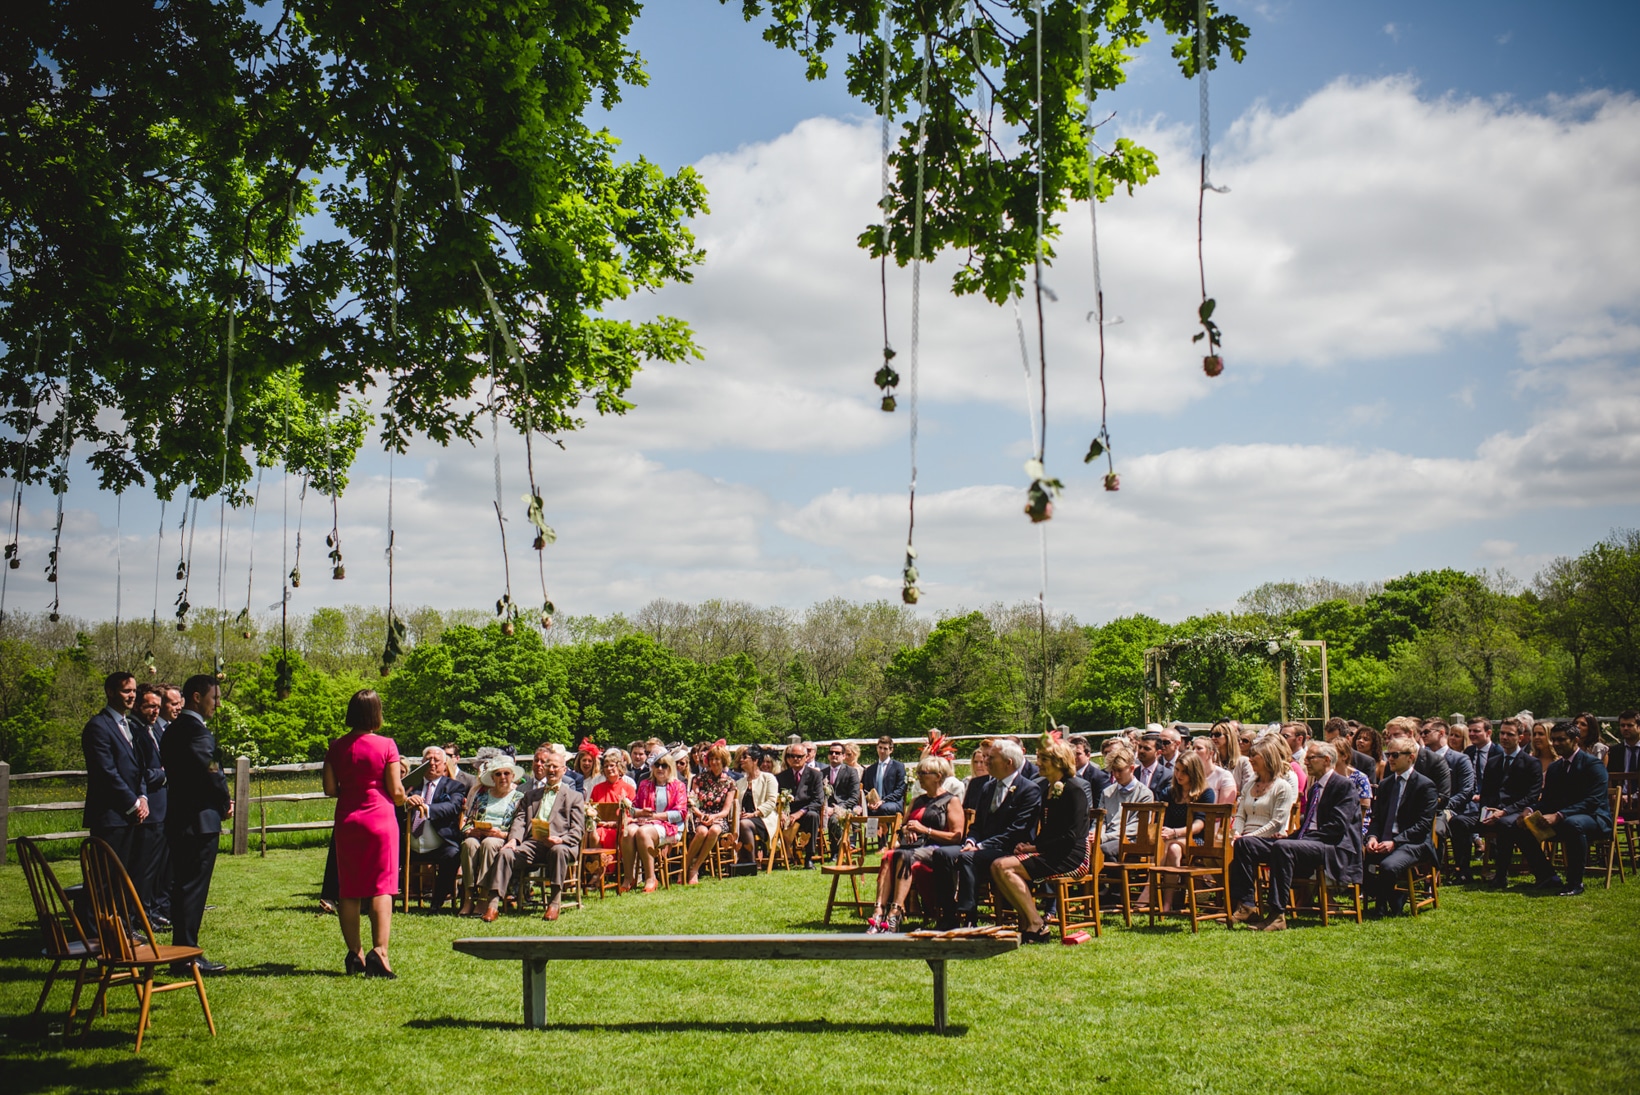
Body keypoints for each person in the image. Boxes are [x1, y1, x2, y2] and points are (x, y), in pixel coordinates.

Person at [1229, 741, 1363, 931]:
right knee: (1246, 844)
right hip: (1307, 843)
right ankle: (1247, 904)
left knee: (1283, 847)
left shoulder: (1343, 786)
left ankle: (1277, 915)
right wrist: (1292, 837)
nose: (1305, 762)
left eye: (1310, 758)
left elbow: (1337, 828)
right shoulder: (1315, 787)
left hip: (1332, 847)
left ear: (1326, 760)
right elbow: (1308, 824)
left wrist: (1297, 841)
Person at [322, 689, 405, 977]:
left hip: (347, 819)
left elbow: (330, 789)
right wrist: (404, 795)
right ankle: (380, 952)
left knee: (350, 889)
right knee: (381, 886)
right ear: (376, 714)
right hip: (379, 818)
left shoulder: (336, 746)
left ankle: (354, 953)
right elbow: (395, 791)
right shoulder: (386, 745)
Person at [160, 674, 231, 974]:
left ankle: (181, 951)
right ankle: (187, 955)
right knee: (193, 889)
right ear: (197, 697)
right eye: (214, 698)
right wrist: (223, 801)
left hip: (177, 818)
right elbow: (212, 772)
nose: (217, 704)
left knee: (181, 888)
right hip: (199, 822)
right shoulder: (198, 733)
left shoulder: (171, 731)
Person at [930, 739, 1042, 929]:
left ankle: (969, 915)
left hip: (1009, 849)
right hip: (978, 847)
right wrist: (972, 840)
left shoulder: (1029, 790)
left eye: (992, 757)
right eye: (986, 757)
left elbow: (1017, 831)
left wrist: (980, 846)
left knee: (968, 858)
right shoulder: (987, 787)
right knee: (942, 854)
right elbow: (977, 824)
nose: (986, 761)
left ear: (1009, 762)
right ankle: (948, 914)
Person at [989, 738, 1090, 942]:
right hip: (1051, 851)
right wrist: (1028, 846)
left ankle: (1036, 923)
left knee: (1002, 866)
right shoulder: (1049, 789)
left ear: (1059, 761)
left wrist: (1035, 847)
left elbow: (1071, 836)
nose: (1038, 763)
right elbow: (1047, 831)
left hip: (1070, 855)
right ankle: (1029, 921)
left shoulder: (1074, 790)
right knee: (997, 866)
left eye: (1043, 759)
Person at [1494, 720, 1611, 897]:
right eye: (1554, 739)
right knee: (1520, 826)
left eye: (1561, 740)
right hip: (1562, 818)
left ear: (1575, 740)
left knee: (1573, 824)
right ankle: (1547, 876)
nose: (1556, 744)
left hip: (1593, 818)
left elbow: (1592, 801)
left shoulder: (1593, 765)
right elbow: (1548, 800)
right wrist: (1529, 811)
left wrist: (1559, 815)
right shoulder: (1556, 767)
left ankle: (1575, 882)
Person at [865, 756, 965, 934]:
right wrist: (905, 830)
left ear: (938, 776)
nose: (919, 777)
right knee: (889, 855)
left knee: (903, 856)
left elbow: (956, 836)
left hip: (937, 848)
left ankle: (895, 913)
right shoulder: (917, 800)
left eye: (923, 773)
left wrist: (925, 830)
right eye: (918, 773)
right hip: (912, 847)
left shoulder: (951, 801)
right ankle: (878, 911)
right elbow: (903, 826)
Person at [82, 672, 153, 905]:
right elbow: (106, 772)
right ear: (110, 692)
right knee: (104, 881)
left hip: (133, 816)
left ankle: (121, 929)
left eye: (133, 691)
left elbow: (139, 767)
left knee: (124, 879)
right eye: (126, 691)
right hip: (110, 816)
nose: (132, 695)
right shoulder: (98, 726)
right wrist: (132, 803)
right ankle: (96, 934)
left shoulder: (130, 725)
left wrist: (142, 797)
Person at [498, 744, 584, 920]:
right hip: (534, 845)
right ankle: (493, 903)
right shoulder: (531, 795)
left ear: (563, 770)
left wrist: (561, 840)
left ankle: (554, 902)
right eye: (548, 766)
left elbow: (577, 829)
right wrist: (514, 840)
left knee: (557, 851)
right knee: (505, 853)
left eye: (554, 767)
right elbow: (520, 821)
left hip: (561, 845)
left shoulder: (574, 797)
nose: (550, 770)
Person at [1450, 718, 1541, 884]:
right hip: (1490, 811)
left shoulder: (1531, 763)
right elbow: (1487, 793)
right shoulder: (1494, 762)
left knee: (1505, 823)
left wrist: (1504, 812)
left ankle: (1501, 874)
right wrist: (1487, 812)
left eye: (1510, 734)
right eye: (1503, 733)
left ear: (1520, 737)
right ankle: (1463, 871)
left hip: (1513, 813)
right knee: (1458, 821)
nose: (1505, 737)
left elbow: (1531, 796)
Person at [1362, 735, 1439, 916]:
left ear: (1411, 757)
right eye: (1388, 754)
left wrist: (1395, 842)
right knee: (1357, 856)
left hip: (1414, 843)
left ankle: (1381, 905)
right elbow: (1377, 818)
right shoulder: (1386, 784)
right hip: (1385, 839)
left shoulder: (1425, 786)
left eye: (1395, 755)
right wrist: (1372, 837)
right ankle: (1395, 896)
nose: (1390, 759)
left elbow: (1423, 825)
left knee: (1388, 866)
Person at [1141, 751, 1216, 913]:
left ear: (1194, 772)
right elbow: (1161, 819)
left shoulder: (1205, 793)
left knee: (1169, 845)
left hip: (1197, 840)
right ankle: (1168, 904)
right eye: (1177, 770)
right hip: (1171, 840)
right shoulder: (1170, 792)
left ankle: (1149, 889)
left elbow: (1200, 824)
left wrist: (1175, 832)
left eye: (1184, 771)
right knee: (1172, 849)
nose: (1179, 775)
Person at [400, 745, 466, 912]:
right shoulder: (409, 786)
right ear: (422, 763)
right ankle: (387, 898)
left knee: (453, 854)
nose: (432, 764)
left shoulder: (454, 786)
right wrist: (407, 801)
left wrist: (426, 808)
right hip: (409, 842)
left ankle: (437, 902)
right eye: (428, 760)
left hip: (441, 843)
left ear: (445, 765)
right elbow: (394, 804)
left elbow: (452, 807)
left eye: (437, 760)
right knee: (388, 850)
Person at [458, 758, 524, 920]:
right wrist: (470, 831)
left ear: (513, 776)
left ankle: (483, 897)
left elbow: (519, 826)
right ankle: (468, 896)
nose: (503, 777)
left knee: (489, 843)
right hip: (479, 834)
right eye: (498, 774)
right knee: (469, 844)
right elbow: (467, 822)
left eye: (506, 773)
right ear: (492, 778)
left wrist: (502, 834)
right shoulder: (482, 797)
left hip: (501, 837)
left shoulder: (519, 798)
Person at [131, 682, 171, 927]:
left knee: (155, 869)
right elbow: (143, 774)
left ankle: (150, 911)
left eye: (157, 707)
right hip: (150, 811)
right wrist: (165, 773)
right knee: (144, 869)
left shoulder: (150, 730)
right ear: (138, 706)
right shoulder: (137, 732)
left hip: (161, 810)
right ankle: (140, 915)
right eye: (149, 706)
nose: (155, 711)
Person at [626, 752, 685, 891]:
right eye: (657, 765)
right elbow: (633, 808)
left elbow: (681, 813)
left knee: (643, 833)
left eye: (664, 765)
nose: (660, 769)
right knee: (627, 831)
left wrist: (656, 816)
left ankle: (651, 878)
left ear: (670, 768)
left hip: (670, 827)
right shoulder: (645, 784)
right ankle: (628, 878)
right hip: (645, 822)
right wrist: (640, 812)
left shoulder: (678, 786)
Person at [684, 744, 737, 884]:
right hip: (699, 815)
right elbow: (691, 802)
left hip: (718, 818)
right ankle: (684, 866)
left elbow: (725, 811)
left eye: (718, 759)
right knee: (701, 831)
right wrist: (700, 815)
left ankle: (694, 869)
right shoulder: (699, 779)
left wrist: (713, 817)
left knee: (714, 830)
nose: (714, 762)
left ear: (724, 760)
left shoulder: (730, 783)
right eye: (712, 758)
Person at [1233, 737, 1299, 840]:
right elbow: (1240, 816)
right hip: (1243, 838)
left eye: (1254, 756)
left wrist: (1248, 838)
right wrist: (1236, 834)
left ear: (1267, 758)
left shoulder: (1282, 787)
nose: (1250, 759)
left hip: (1267, 839)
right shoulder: (1249, 785)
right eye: (1250, 756)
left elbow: (1276, 823)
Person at [1098, 743, 1156, 860]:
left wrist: (1105, 837)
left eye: (1120, 770)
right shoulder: (1107, 792)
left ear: (1131, 769)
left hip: (1130, 840)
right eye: (1114, 771)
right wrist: (1096, 833)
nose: (1116, 775)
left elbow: (1137, 826)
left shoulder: (1144, 794)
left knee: (1103, 850)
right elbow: (1100, 820)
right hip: (1106, 838)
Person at [776, 742, 824, 867]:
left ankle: (809, 857)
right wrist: (781, 813)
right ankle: (781, 856)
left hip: (806, 812)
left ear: (806, 757)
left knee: (813, 816)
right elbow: (776, 799)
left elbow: (818, 800)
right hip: (787, 814)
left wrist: (799, 813)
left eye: (799, 756)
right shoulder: (781, 777)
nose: (795, 759)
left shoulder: (815, 775)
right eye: (792, 756)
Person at [734, 745, 780, 872]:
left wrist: (754, 813)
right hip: (743, 818)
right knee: (740, 823)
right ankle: (740, 861)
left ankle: (750, 863)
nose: (741, 760)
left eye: (745, 757)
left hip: (764, 819)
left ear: (755, 760)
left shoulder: (768, 778)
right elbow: (736, 804)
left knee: (744, 824)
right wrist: (739, 813)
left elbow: (771, 802)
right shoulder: (740, 782)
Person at [821, 741, 862, 854]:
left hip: (846, 808)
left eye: (837, 753)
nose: (834, 755)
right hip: (825, 809)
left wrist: (836, 809)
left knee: (835, 819)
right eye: (831, 752)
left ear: (843, 756)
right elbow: (818, 795)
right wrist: (824, 808)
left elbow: (854, 797)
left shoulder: (851, 772)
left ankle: (837, 852)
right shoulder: (821, 773)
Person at [1334, 736, 1373, 833]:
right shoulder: (1328, 776)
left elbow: (1364, 808)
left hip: (1356, 825)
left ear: (1344, 756)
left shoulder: (1360, 778)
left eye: (1333, 754)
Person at [862, 735, 906, 816]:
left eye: (885, 748)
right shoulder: (870, 770)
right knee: (861, 809)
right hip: (873, 804)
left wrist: (883, 801)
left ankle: (883, 829)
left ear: (891, 750)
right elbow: (866, 790)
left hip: (893, 803)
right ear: (877, 748)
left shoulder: (898, 767)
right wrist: (869, 802)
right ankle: (870, 829)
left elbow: (900, 790)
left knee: (882, 808)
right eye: (880, 747)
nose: (882, 751)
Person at [1192, 736, 1238, 806]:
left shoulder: (1224, 776)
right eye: (1193, 748)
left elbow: (1223, 811)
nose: (1194, 752)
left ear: (1211, 753)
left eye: (1199, 748)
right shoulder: (1189, 774)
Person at [1211, 721, 1254, 792]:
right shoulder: (1211, 762)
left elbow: (1247, 790)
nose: (1213, 738)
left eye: (1217, 734)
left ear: (1229, 737)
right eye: (1211, 735)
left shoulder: (1244, 762)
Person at [1068, 735, 1110, 804]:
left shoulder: (1099, 777)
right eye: (1072, 753)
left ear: (1088, 756)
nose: (1074, 757)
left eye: (1078, 754)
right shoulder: (1066, 774)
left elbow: (1100, 807)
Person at [1134, 734, 1172, 799]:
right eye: (1140, 747)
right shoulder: (1133, 773)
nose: (1141, 751)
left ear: (1158, 753)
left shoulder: (1167, 775)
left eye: (1146, 748)